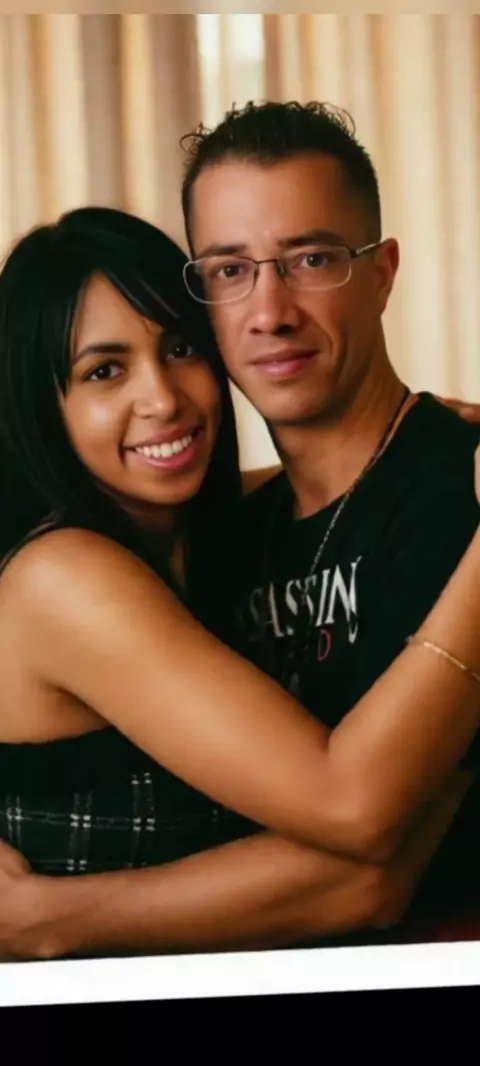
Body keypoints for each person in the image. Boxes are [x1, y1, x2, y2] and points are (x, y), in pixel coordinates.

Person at [0, 189, 479, 959]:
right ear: (38, 407)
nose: (161, 399)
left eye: (180, 349)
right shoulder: (64, 579)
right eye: (104, 371)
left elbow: (307, 479)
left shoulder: (191, 538)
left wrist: (422, 443)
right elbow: (361, 843)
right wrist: (48, 921)